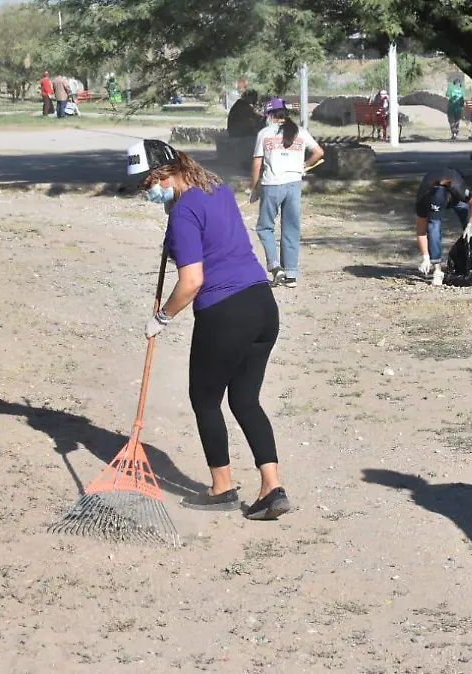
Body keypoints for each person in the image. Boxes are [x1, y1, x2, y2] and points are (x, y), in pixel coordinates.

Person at [129, 139, 291, 521]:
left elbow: (191, 282)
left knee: (204, 399)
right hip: (262, 306)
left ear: (164, 174)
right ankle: (272, 488)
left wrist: (162, 317)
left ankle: (222, 489)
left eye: (147, 183)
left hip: (225, 313)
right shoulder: (215, 187)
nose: (147, 191)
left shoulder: (183, 212)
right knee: (245, 400)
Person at [250, 98, 324, 289]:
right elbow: (318, 152)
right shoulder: (300, 132)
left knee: (265, 227)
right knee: (291, 228)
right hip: (294, 184)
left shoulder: (265, 133)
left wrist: (255, 188)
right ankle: (291, 274)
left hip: (272, 185)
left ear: (269, 115)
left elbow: (257, 164)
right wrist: (304, 166)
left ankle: (276, 267)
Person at [413, 167, 472, 286]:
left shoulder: (459, 189)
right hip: (434, 198)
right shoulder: (422, 199)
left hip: (456, 198)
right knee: (433, 227)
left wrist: (471, 223)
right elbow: (421, 232)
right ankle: (437, 271)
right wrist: (426, 256)